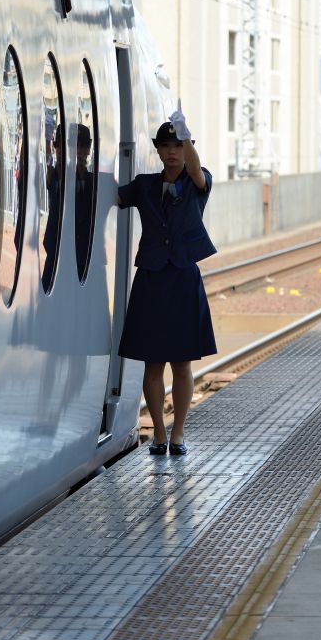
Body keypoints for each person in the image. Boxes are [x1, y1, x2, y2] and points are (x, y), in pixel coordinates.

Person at [117, 102, 216, 456]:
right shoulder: (144, 185)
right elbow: (114, 196)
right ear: (157, 151)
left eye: (179, 145)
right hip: (152, 280)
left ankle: (179, 433)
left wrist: (187, 136)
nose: (173, 152)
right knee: (153, 362)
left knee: (182, 363)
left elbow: (196, 170)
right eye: (167, 146)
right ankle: (159, 433)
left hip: (183, 278)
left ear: (186, 148)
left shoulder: (197, 182)